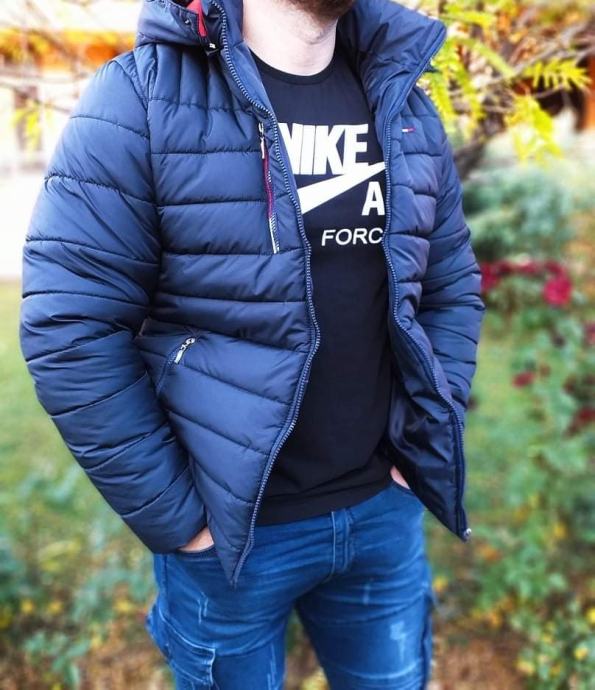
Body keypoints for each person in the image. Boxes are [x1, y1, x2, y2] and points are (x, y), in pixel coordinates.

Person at [19, 0, 486, 686]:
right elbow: (70, 327)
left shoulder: (401, 93)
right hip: (229, 543)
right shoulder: (143, 96)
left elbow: (448, 288)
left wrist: (416, 446)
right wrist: (181, 521)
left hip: (382, 516)